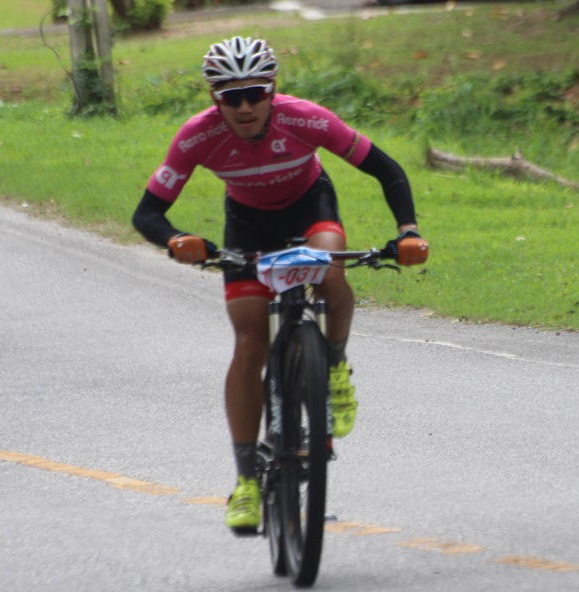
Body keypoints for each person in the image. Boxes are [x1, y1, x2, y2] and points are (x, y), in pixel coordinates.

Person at [132, 36, 428, 533]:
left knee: (329, 264)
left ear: (273, 91)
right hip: (247, 226)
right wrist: (177, 239)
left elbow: (386, 168)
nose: (245, 107)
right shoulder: (196, 137)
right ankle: (247, 481)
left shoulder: (306, 119)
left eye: (255, 94)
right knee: (250, 341)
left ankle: (334, 368)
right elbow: (147, 213)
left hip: (310, 207)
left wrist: (408, 231)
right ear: (214, 98)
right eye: (231, 97)